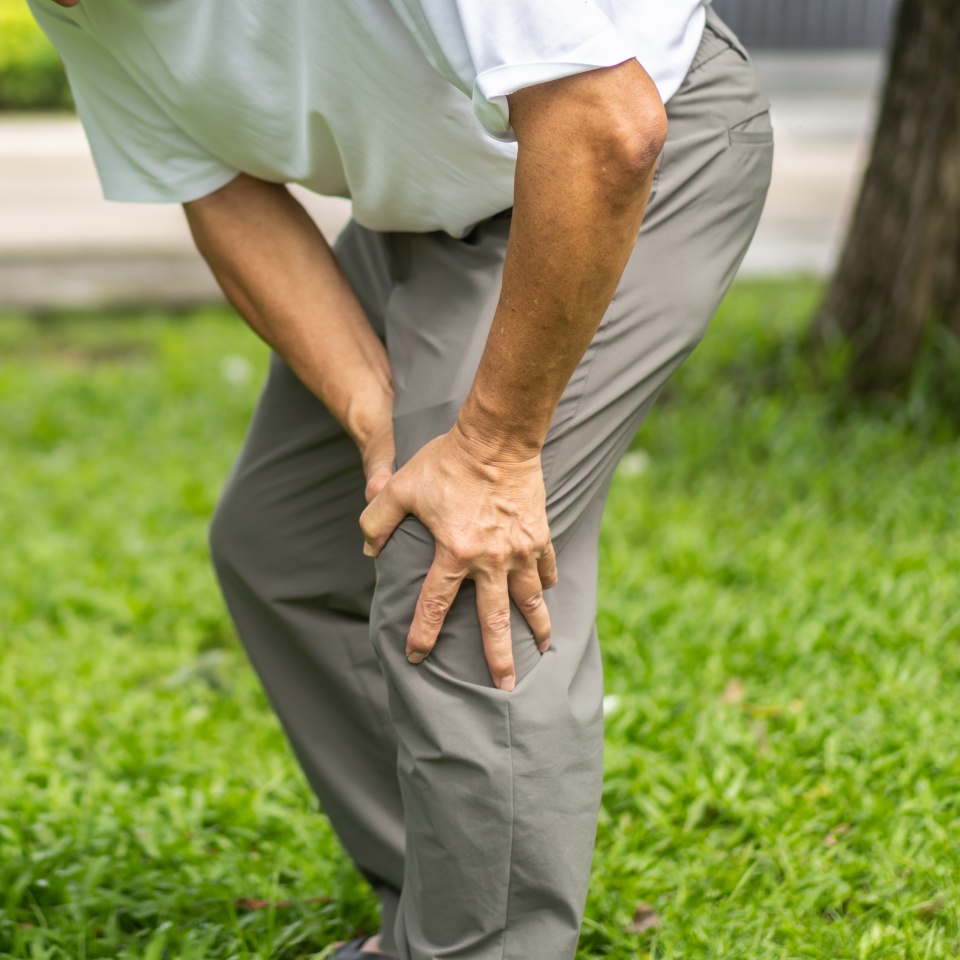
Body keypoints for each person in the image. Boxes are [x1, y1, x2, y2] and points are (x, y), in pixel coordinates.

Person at [28, 0, 772, 956]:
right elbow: (215, 188)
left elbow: (607, 124)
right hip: (438, 201)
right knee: (291, 545)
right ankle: (442, 907)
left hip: (630, 155)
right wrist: (378, 420)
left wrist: (491, 454)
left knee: (453, 566)